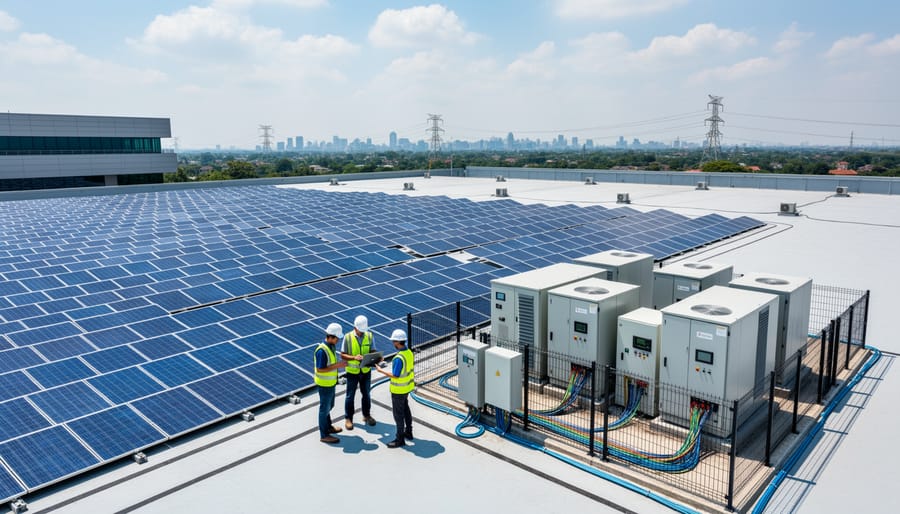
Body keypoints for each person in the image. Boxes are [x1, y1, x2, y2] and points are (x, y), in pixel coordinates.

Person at [374, 329, 414, 448]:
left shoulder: (398, 358)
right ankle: (409, 432)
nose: (393, 344)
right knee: (406, 409)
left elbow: (396, 375)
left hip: (398, 390)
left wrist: (381, 371)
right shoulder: (409, 352)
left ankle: (399, 439)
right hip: (407, 387)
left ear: (397, 342)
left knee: (398, 415)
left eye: (393, 341)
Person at [315, 323, 349, 444]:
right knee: (324, 409)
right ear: (330, 337)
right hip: (324, 384)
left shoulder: (331, 347)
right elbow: (320, 369)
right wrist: (338, 365)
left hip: (331, 383)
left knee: (330, 406)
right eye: (337, 338)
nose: (338, 340)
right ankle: (324, 435)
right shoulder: (322, 351)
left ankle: (328, 426)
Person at [341, 315, 376, 430]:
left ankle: (366, 415)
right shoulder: (348, 337)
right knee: (350, 396)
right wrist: (354, 358)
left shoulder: (370, 336)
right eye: (360, 330)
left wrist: (370, 357)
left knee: (366, 394)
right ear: (355, 327)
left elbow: (373, 350)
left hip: (365, 370)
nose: (362, 333)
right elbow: (342, 355)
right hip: (352, 372)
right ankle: (348, 418)